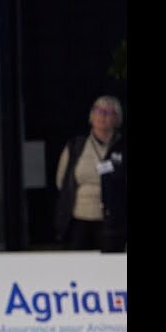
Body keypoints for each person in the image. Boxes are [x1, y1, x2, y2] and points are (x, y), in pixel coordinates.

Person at [54, 95, 126, 252]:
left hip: (112, 221)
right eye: (98, 111)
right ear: (92, 115)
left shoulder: (122, 146)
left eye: (108, 112)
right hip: (78, 218)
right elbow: (62, 181)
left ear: (117, 118)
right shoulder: (76, 145)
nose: (102, 116)